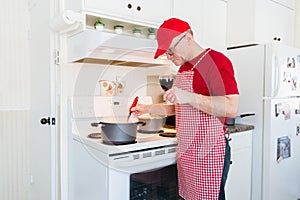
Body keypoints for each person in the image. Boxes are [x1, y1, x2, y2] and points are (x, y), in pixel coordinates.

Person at [131, 18, 239, 200]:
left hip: (208, 151)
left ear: (187, 37)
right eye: (167, 54)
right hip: (188, 151)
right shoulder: (183, 69)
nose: (170, 57)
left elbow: (231, 107)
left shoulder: (216, 61)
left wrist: (189, 96)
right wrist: (147, 108)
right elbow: (180, 108)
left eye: (171, 51)